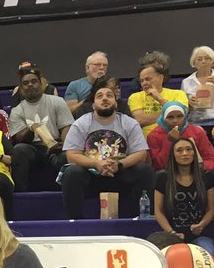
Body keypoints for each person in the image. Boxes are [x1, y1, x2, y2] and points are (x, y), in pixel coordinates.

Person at [61, 85, 154, 219]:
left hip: (120, 174)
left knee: (144, 170)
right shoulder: (81, 123)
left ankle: (140, 220)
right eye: (100, 96)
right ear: (93, 104)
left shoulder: (129, 123)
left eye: (109, 96)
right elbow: (72, 156)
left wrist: (119, 165)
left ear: (116, 103)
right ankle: (74, 223)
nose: (105, 98)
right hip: (91, 175)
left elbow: (141, 154)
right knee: (71, 173)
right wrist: (96, 164)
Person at [8, 69, 72, 193]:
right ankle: (21, 195)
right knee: (19, 150)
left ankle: (66, 193)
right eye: (26, 83)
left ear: (41, 84)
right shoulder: (17, 110)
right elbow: (20, 139)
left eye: (34, 81)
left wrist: (64, 146)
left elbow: (66, 127)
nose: (30, 85)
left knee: (67, 155)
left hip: (55, 146)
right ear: (21, 89)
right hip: (33, 148)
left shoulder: (57, 102)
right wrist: (31, 129)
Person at [154, 138, 214, 256]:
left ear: (194, 153)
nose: (185, 153)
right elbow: (158, 211)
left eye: (189, 149)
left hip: (200, 234)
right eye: (179, 150)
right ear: (173, 154)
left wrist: (202, 224)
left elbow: (210, 209)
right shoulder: (163, 178)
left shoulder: (206, 177)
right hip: (171, 234)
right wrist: (171, 233)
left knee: (209, 254)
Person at [147, 102, 214, 172]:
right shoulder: (154, 135)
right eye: (170, 117)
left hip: (196, 172)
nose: (175, 121)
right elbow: (157, 165)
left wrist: (200, 167)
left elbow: (210, 159)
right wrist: (170, 142)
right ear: (163, 118)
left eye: (179, 116)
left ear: (185, 117)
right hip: (169, 173)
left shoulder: (197, 132)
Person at [129, 59, 188, 129]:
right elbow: (141, 120)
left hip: (173, 135)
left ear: (161, 78)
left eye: (148, 79)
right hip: (146, 138)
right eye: (141, 81)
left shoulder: (178, 94)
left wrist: (159, 98)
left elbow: (181, 115)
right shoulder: (135, 97)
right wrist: (169, 115)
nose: (144, 83)